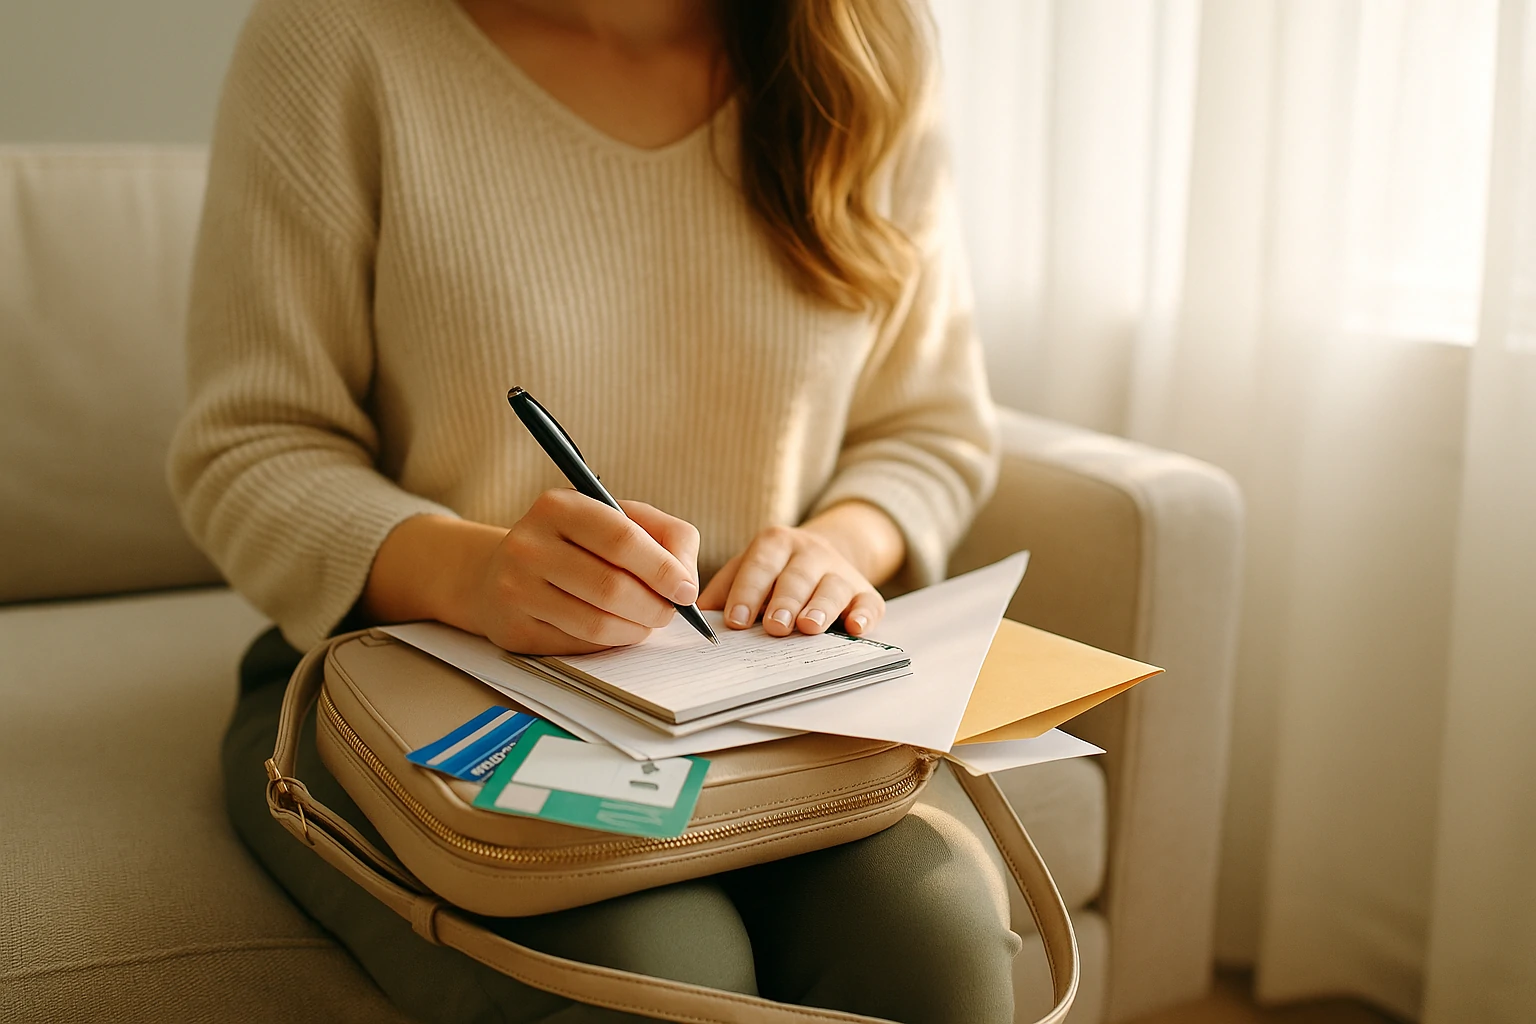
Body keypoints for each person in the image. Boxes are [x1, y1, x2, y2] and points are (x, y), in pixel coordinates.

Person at [168, 0, 1013, 1020]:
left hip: (754, 703)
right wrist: (474, 573)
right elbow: (248, 446)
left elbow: (930, 429)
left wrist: (835, 546)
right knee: (653, 970)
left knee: (937, 942)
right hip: (413, 678)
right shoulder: (335, 38)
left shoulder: (867, 43)